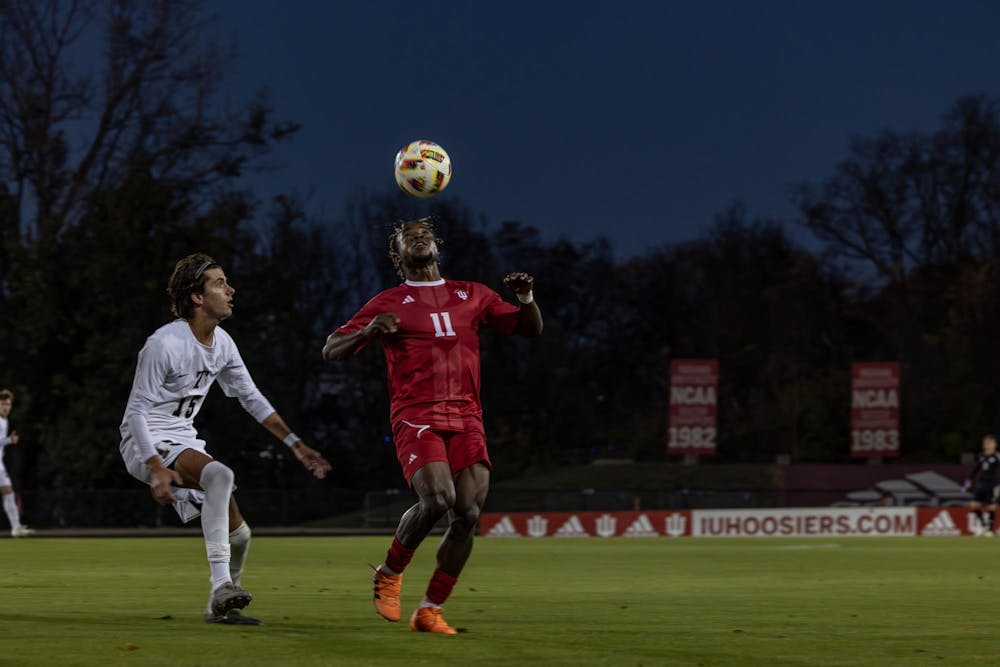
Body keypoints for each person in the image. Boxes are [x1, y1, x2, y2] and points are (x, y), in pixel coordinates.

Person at [323, 217, 543, 634]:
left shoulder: (473, 294)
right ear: (398, 255)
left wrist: (526, 297)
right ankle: (390, 571)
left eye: (425, 235)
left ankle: (430, 609)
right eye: (409, 237)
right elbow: (331, 349)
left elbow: (528, 328)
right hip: (416, 415)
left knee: (468, 512)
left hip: (467, 416)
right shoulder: (388, 301)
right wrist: (369, 330)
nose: (419, 239)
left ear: (437, 247)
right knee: (439, 499)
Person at [120, 252, 331, 624]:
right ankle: (221, 586)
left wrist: (295, 443)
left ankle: (218, 609)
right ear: (197, 297)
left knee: (241, 535)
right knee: (220, 475)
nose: (230, 290)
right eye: (219, 283)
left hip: (183, 440)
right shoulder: (164, 344)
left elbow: (251, 398)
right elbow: (136, 412)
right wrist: (155, 467)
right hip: (145, 441)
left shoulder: (224, 344)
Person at [0, 389, 34, 537]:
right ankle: (16, 527)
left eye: (8, 404)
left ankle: (16, 527)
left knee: (8, 492)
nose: (6, 407)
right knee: (8, 492)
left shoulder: (4, 421)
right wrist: (9, 440)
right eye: (2, 404)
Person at [963, 434, 1000, 537]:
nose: (987, 445)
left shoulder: (997, 456)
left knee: (991, 507)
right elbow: (975, 470)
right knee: (974, 505)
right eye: (986, 443)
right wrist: (969, 481)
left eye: (990, 442)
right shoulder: (981, 456)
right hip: (982, 484)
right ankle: (984, 525)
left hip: (993, 485)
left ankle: (990, 531)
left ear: (994, 444)